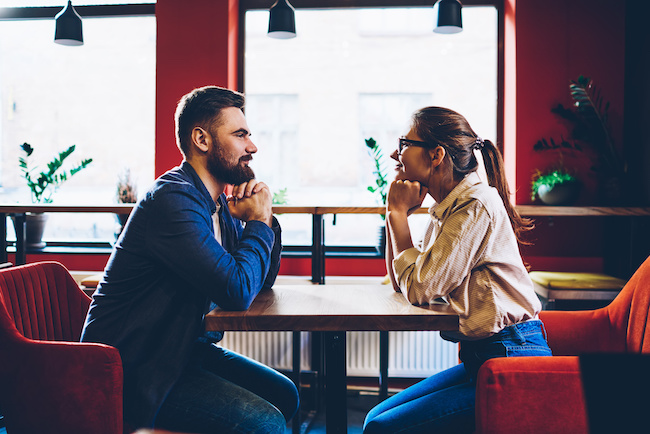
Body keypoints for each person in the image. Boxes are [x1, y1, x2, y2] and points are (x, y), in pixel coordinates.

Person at [80, 86, 299, 433]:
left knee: (285, 395)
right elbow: (237, 290)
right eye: (240, 135)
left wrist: (265, 219)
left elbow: (260, 281)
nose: (252, 147)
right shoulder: (174, 200)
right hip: (137, 367)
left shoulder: (214, 203)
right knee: (265, 424)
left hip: (182, 352)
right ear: (201, 139)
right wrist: (257, 222)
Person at [363, 107, 552, 434]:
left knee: (382, 428)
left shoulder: (474, 205)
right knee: (373, 419)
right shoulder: (447, 208)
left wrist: (396, 213)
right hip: (485, 358)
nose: (396, 152)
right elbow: (402, 283)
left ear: (436, 154)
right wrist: (395, 211)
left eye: (405, 142)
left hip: (511, 358)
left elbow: (419, 288)